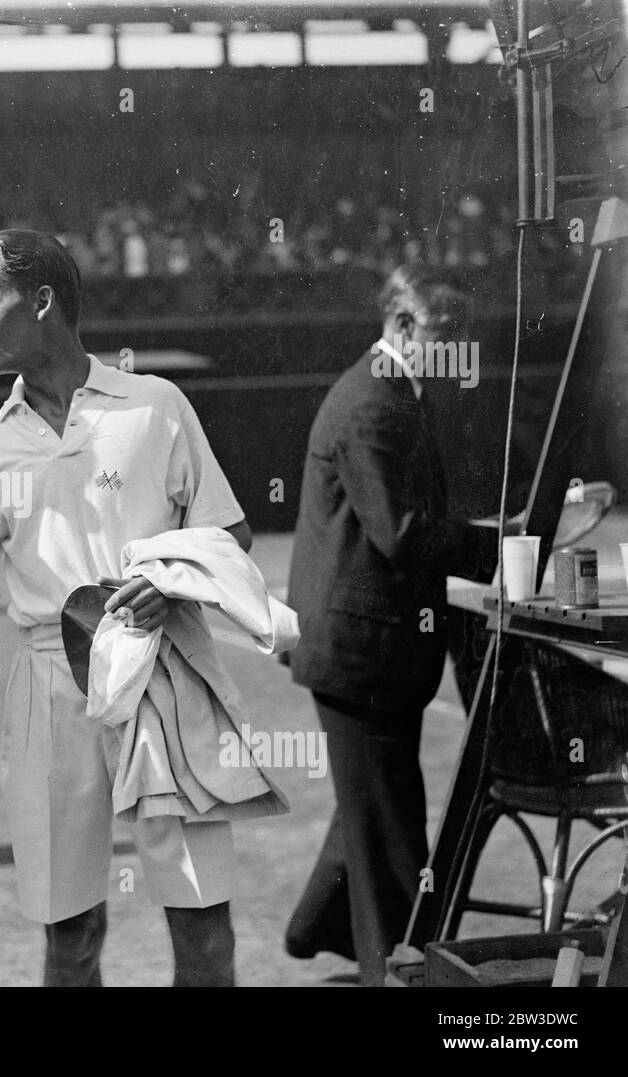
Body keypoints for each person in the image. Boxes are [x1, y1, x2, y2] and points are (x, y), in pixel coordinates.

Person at [0, 229, 253, 986]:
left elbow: (230, 531)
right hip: (50, 694)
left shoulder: (155, 406)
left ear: (43, 301)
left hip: (165, 679)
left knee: (205, 933)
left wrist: (175, 580)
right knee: (72, 936)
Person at [283, 264, 498, 986]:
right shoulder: (373, 402)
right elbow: (402, 535)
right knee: (394, 828)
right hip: (360, 653)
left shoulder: (392, 392)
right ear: (405, 327)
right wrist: (498, 545)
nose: (459, 345)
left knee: (370, 806)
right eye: (448, 332)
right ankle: (401, 972)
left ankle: (314, 928)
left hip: (366, 648)